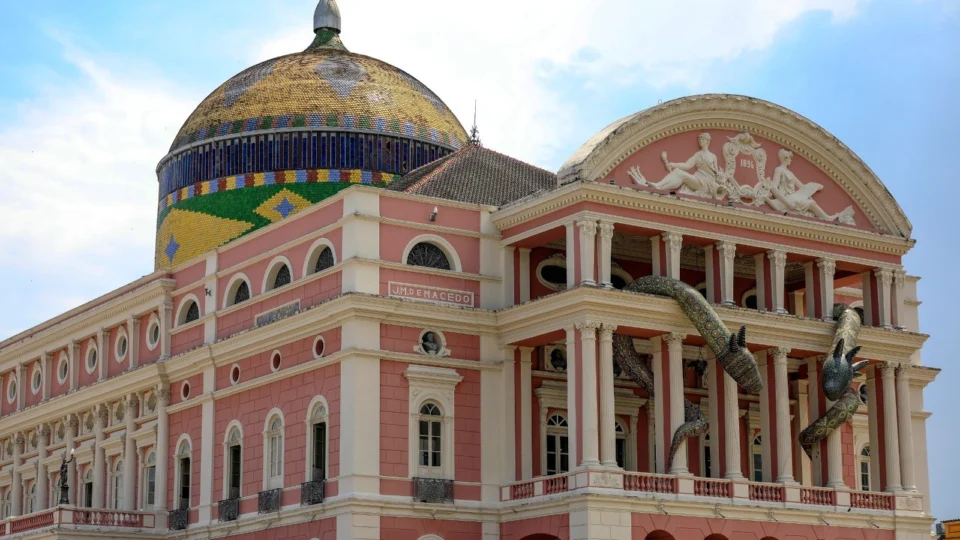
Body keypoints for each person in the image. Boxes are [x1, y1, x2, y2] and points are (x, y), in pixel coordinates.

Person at [628, 133, 723, 198]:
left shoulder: (713, 156)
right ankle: (658, 186)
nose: (700, 141)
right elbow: (687, 166)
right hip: (698, 179)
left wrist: (720, 177)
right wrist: (673, 165)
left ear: (707, 141)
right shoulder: (698, 154)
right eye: (699, 139)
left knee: (681, 175)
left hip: (707, 183)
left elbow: (717, 174)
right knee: (678, 172)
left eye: (703, 139)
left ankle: (659, 187)